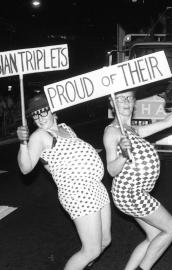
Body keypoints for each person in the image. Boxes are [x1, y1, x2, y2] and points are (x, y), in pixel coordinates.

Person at [17, 94, 111, 270]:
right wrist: (23, 143)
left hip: (96, 189)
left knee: (105, 241)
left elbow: (65, 159)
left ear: (54, 111)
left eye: (43, 112)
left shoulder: (65, 128)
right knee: (91, 250)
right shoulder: (40, 136)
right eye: (35, 115)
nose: (40, 117)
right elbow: (25, 167)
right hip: (79, 194)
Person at [103, 90, 172, 270]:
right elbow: (111, 170)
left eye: (129, 98)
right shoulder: (112, 132)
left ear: (134, 103)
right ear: (112, 104)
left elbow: (167, 122)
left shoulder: (133, 130)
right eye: (120, 99)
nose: (125, 102)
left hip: (136, 193)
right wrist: (124, 155)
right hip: (130, 194)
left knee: (154, 236)